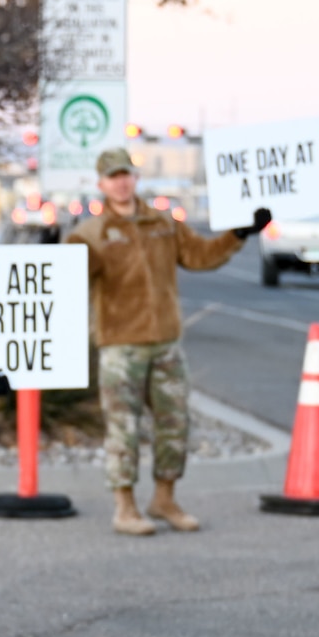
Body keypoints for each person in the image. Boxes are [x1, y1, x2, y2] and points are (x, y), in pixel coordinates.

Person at [67, 148, 270, 536]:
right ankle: (124, 506)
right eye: (112, 176)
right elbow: (70, 277)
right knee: (122, 428)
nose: (121, 182)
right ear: (101, 184)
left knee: (174, 423)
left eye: (126, 174)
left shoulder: (163, 223)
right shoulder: (90, 234)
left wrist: (239, 233)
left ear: (135, 177)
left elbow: (200, 256)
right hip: (120, 346)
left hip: (165, 344)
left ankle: (164, 498)